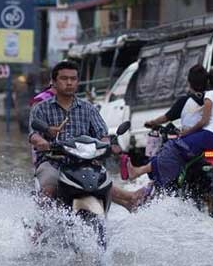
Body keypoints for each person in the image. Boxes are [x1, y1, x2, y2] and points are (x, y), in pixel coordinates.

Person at [29, 60, 143, 210]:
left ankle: (128, 201)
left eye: (73, 79)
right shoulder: (41, 108)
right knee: (49, 188)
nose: (69, 82)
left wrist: (108, 143)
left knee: (101, 182)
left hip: (84, 161)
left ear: (77, 82)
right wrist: (43, 142)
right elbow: (34, 135)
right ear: (54, 83)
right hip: (52, 161)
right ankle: (40, 227)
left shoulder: (88, 108)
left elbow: (102, 134)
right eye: (64, 79)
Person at [127, 65, 213, 186]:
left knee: (171, 149)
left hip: (205, 137)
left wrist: (183, 132)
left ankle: (138, 171)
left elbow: (203, 121)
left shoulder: (207, 97)